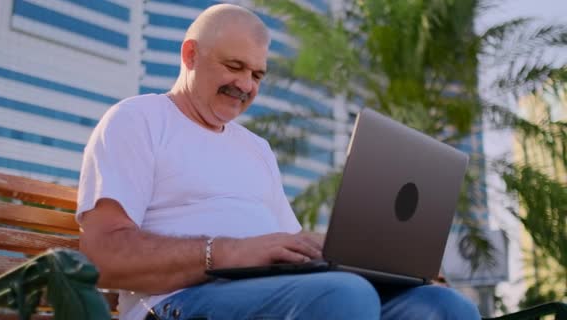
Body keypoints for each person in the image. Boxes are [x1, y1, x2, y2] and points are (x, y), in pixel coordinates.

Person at [77, 4, 481, 320]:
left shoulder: (256, 149)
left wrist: (361, 257)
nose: (246, 85)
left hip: (281, 294)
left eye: (258, 74)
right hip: (175, 304)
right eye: (234, 67)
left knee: (445, 308)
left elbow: (287, 245)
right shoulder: (136, 120)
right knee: (343, 295)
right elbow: (103, 255)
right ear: (190, 54)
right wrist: (229, 253)